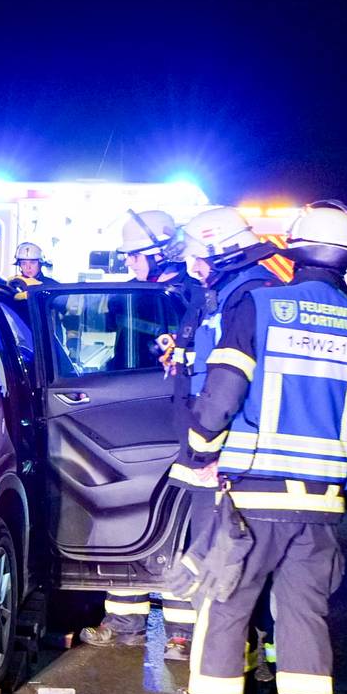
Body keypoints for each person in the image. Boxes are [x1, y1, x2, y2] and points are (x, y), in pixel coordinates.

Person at [169, 201, 347, 694]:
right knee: (303, 609)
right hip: (322, 499)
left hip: (254, 492)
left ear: (293, 249)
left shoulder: (260, 307)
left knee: (226, 605)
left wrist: (200, 449)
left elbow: (221, 394)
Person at [77, 210, 206, 657]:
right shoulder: (135, 296)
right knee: (127, 519)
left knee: (178, 525)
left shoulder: (187, 297)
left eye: (135, 256)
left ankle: (181, 632)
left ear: (160, 251)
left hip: (173, 424)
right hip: (134, 419)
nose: (130, 263)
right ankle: (124, 621)